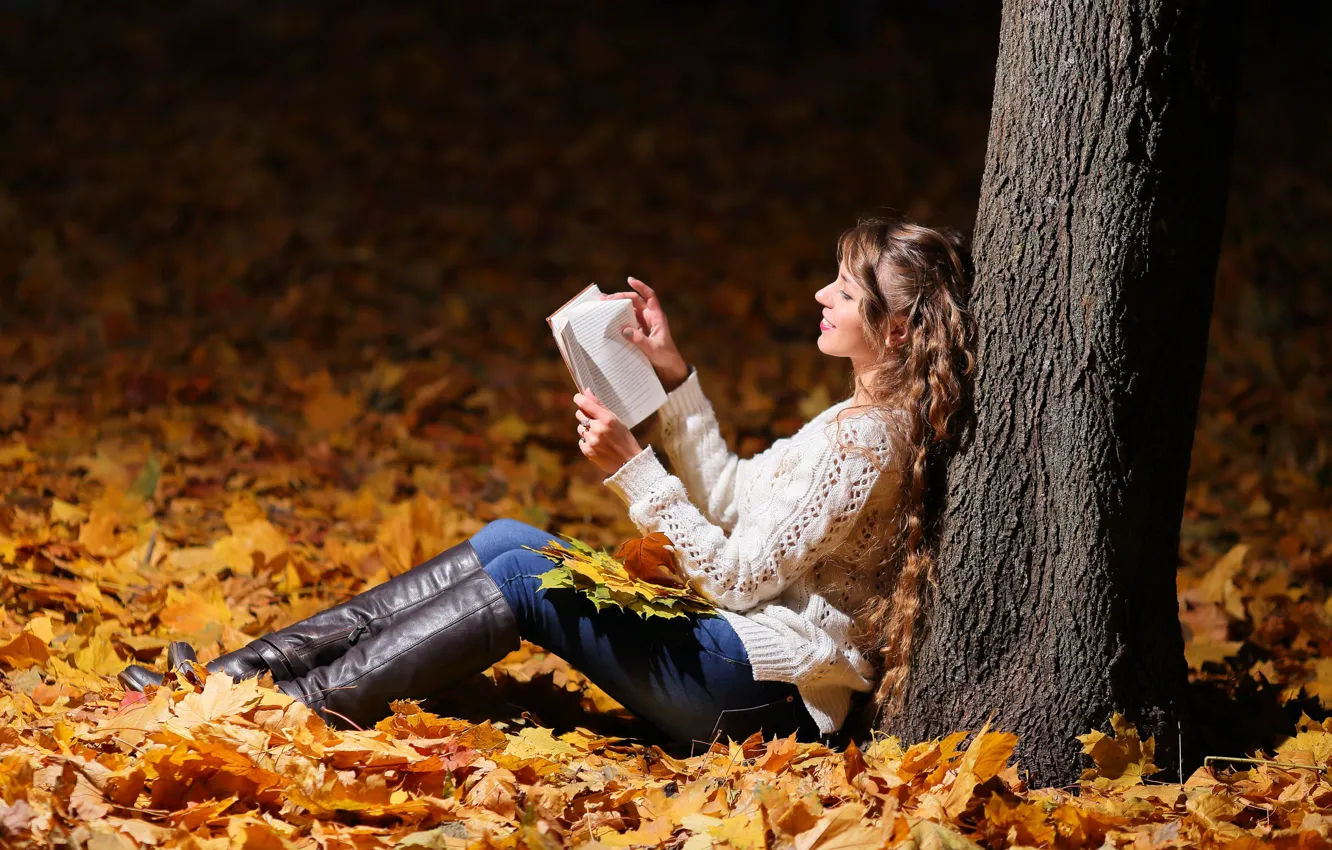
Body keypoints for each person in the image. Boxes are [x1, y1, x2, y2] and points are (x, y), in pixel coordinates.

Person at [119, 215, 975, 746]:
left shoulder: (865, 441)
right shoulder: (855, 418)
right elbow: (741, 502)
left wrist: (633, 469)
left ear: (895, 330)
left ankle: (280, 713)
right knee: (507, 541)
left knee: (525, 575)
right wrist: (674, 382)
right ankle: (236, 683)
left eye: (846, 287)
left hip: (764, 694)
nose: (821, 293)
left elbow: (738, 578)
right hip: (737, 659)